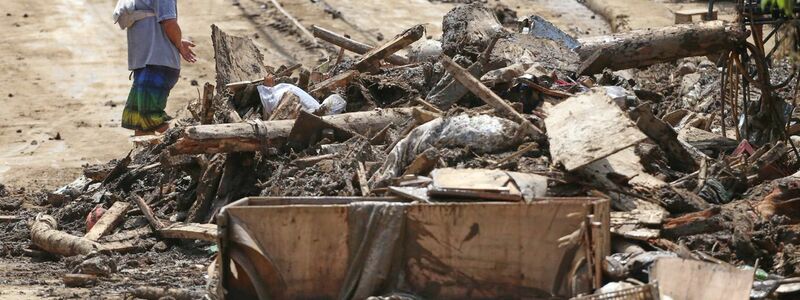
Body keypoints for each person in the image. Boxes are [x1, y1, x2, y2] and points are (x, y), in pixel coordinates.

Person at [121, 0, 197, 136]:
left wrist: (179, 45)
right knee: (140, 120)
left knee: (151, 117)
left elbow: (169, 23)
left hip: (157, 63)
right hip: (146, 64)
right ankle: (145, 152)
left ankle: (188, 140)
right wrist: (178, 42)